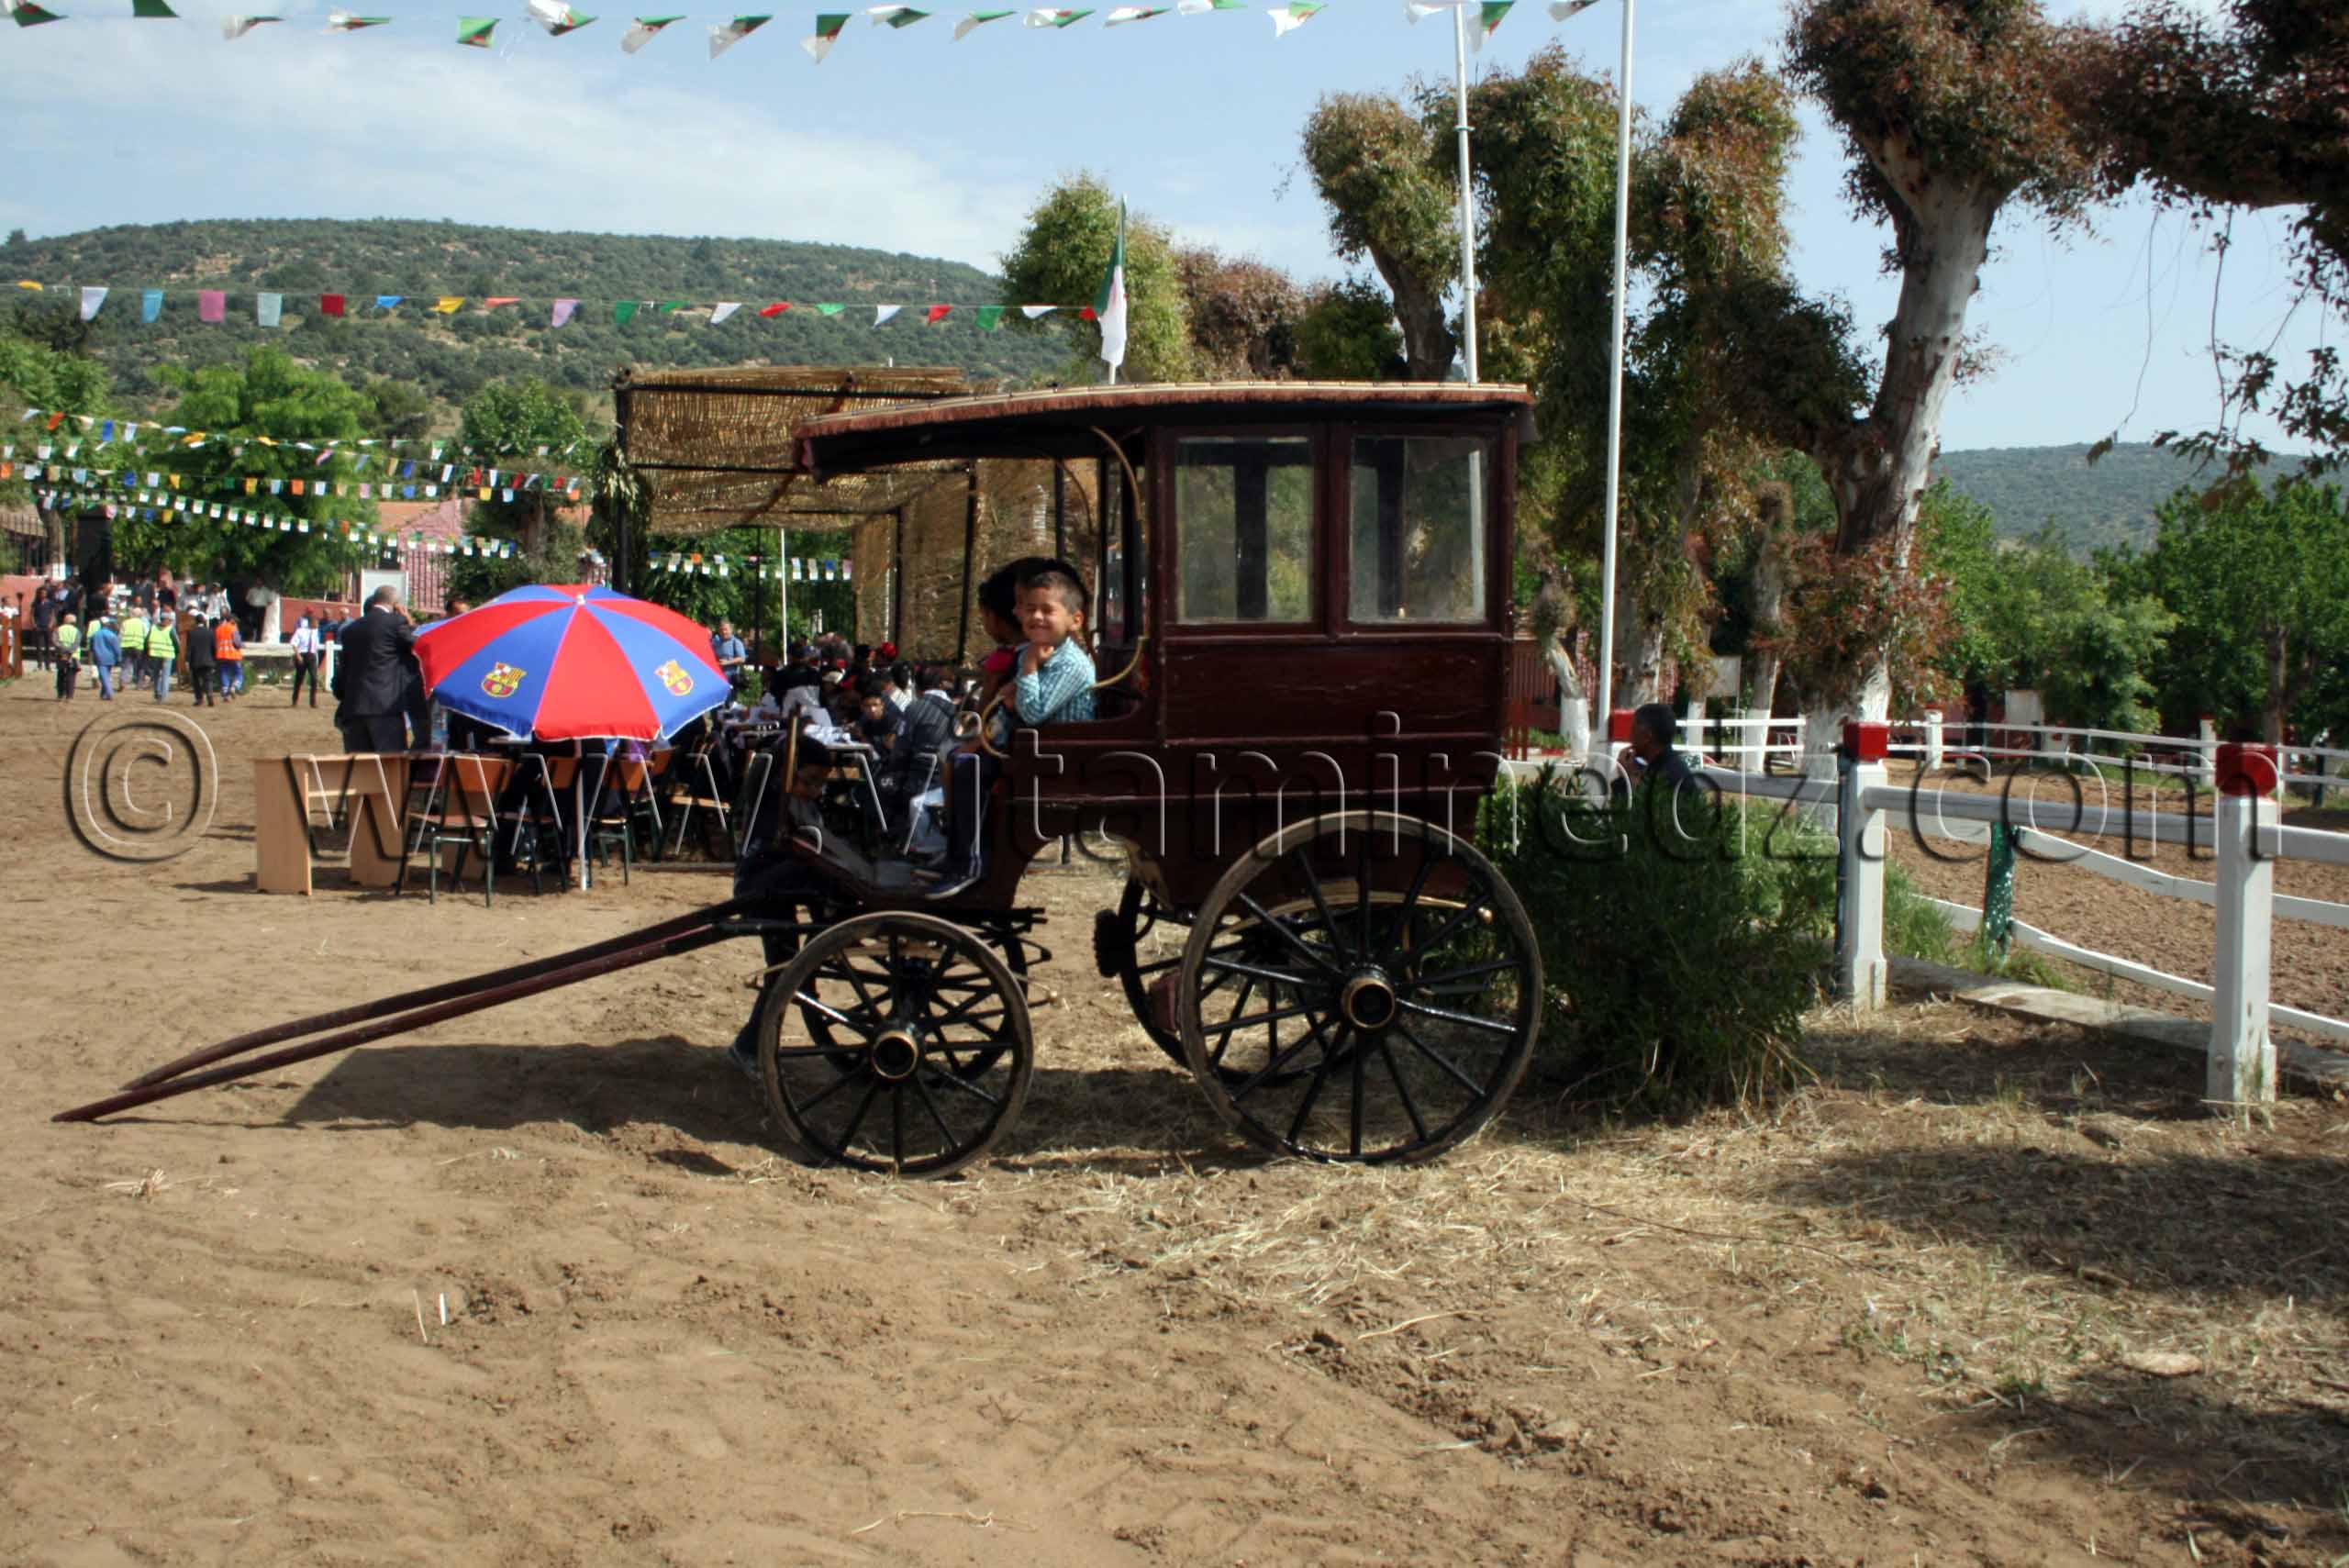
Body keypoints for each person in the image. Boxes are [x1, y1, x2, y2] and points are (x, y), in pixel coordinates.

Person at [722, 734, 840, 1081]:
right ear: (788, 774)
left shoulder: (797, 803)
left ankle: (751, 1044)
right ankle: (748, 1046)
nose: (815, 790)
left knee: (785, 970)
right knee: (783, 971)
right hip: (764, 892)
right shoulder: (775, 803)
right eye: (809, 781)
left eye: (821, 783)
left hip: (780, 891)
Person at [330, 586, 420, 754]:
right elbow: (418, 645)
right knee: (391, 766)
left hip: (353, 707)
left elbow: (343, 668)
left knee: (360, 769)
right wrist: (409, 621)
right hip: (384, 707)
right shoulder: (395, 623)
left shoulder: (350, 629)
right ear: (395, 604)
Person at [1612, 702, 1700, 804]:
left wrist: (1625, 777)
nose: (1630, 737)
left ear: (1647, 736)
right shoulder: (1667, 764)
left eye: (1633, 730)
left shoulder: (1665, 776)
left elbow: (1627, 814)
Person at [184, 613, 218, 706]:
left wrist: (187, 660)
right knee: (208, 679)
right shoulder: (210, 632)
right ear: (204, 621)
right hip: (208, 660)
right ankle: (210, 695)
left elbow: (189, 648)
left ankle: (199, 699)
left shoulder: (192, 633)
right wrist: (215, 659)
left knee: (196, 681)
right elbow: (214, 647)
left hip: (196, 661)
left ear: (196, 621)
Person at [144, 607, 177, 701]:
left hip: (155, 654)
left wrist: (147, 651)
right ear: (168, 620)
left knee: (156, 674)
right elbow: (177, 643)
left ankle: (157, 692)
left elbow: (146, 641)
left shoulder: (153, 628)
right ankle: (163, 696)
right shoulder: (171, 629)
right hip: (167, 655)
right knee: (165, 676)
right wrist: (177, 652)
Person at [289, 614, 322, 707]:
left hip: (311, 656)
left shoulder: (316, 632)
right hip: (302, 655)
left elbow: (315, 646)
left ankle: (313, 702)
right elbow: (294, 644)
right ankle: (295, 700)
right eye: (316, 623)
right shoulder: (300, 631)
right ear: (311, 623)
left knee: (314, 678)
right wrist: (298, 656)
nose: (317, 625)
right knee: (299, 679)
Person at [117, 604, 150, 691]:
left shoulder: (125, 623)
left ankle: (123, 682)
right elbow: (146, 635)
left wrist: (119, 646)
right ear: (140, 615)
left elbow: (120, 636)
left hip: (126, 646)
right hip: (139, 647)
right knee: (141, 666)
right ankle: (139, 685)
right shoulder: (143, 624)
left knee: (126, 666)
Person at [88, 614, 120, 701]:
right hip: (110, 658)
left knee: (103, 676)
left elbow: (91, 648)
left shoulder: (95, 635)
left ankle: (109, 693)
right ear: (108, 624)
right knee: (106, 675)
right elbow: (116, 648)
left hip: (99, 658)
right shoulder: (112, 635)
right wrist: (119, 657)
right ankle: (103, 694)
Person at [710, 619, 748, 692]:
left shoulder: (736, 642)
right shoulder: (716, 642)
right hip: (717, 678)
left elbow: (742, 659)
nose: (724, 632)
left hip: (730, 680)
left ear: (731, 630)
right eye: (721, 630)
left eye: (726, 630)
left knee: (729, 701)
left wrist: (727, 662)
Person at [213, 614, 243, 700]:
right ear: (231, 620)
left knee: (224, 673)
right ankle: (234, 687)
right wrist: (242, 645)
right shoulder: (233, 628)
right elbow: (237, 642)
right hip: (233, 654)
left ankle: (225, 691)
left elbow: (216, 643)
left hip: (221, 654)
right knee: (238, 673)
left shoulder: (218, 629)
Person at [51, 612, 81, 699]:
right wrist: (70, 651)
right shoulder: (77, 631)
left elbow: (55, 641)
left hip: (61, 654)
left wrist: (63, 649)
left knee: (60, 674)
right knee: (71, 676)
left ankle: (60, 694)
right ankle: (69, 695)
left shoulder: (58, 629)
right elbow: (76, 643)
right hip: (73, 656)